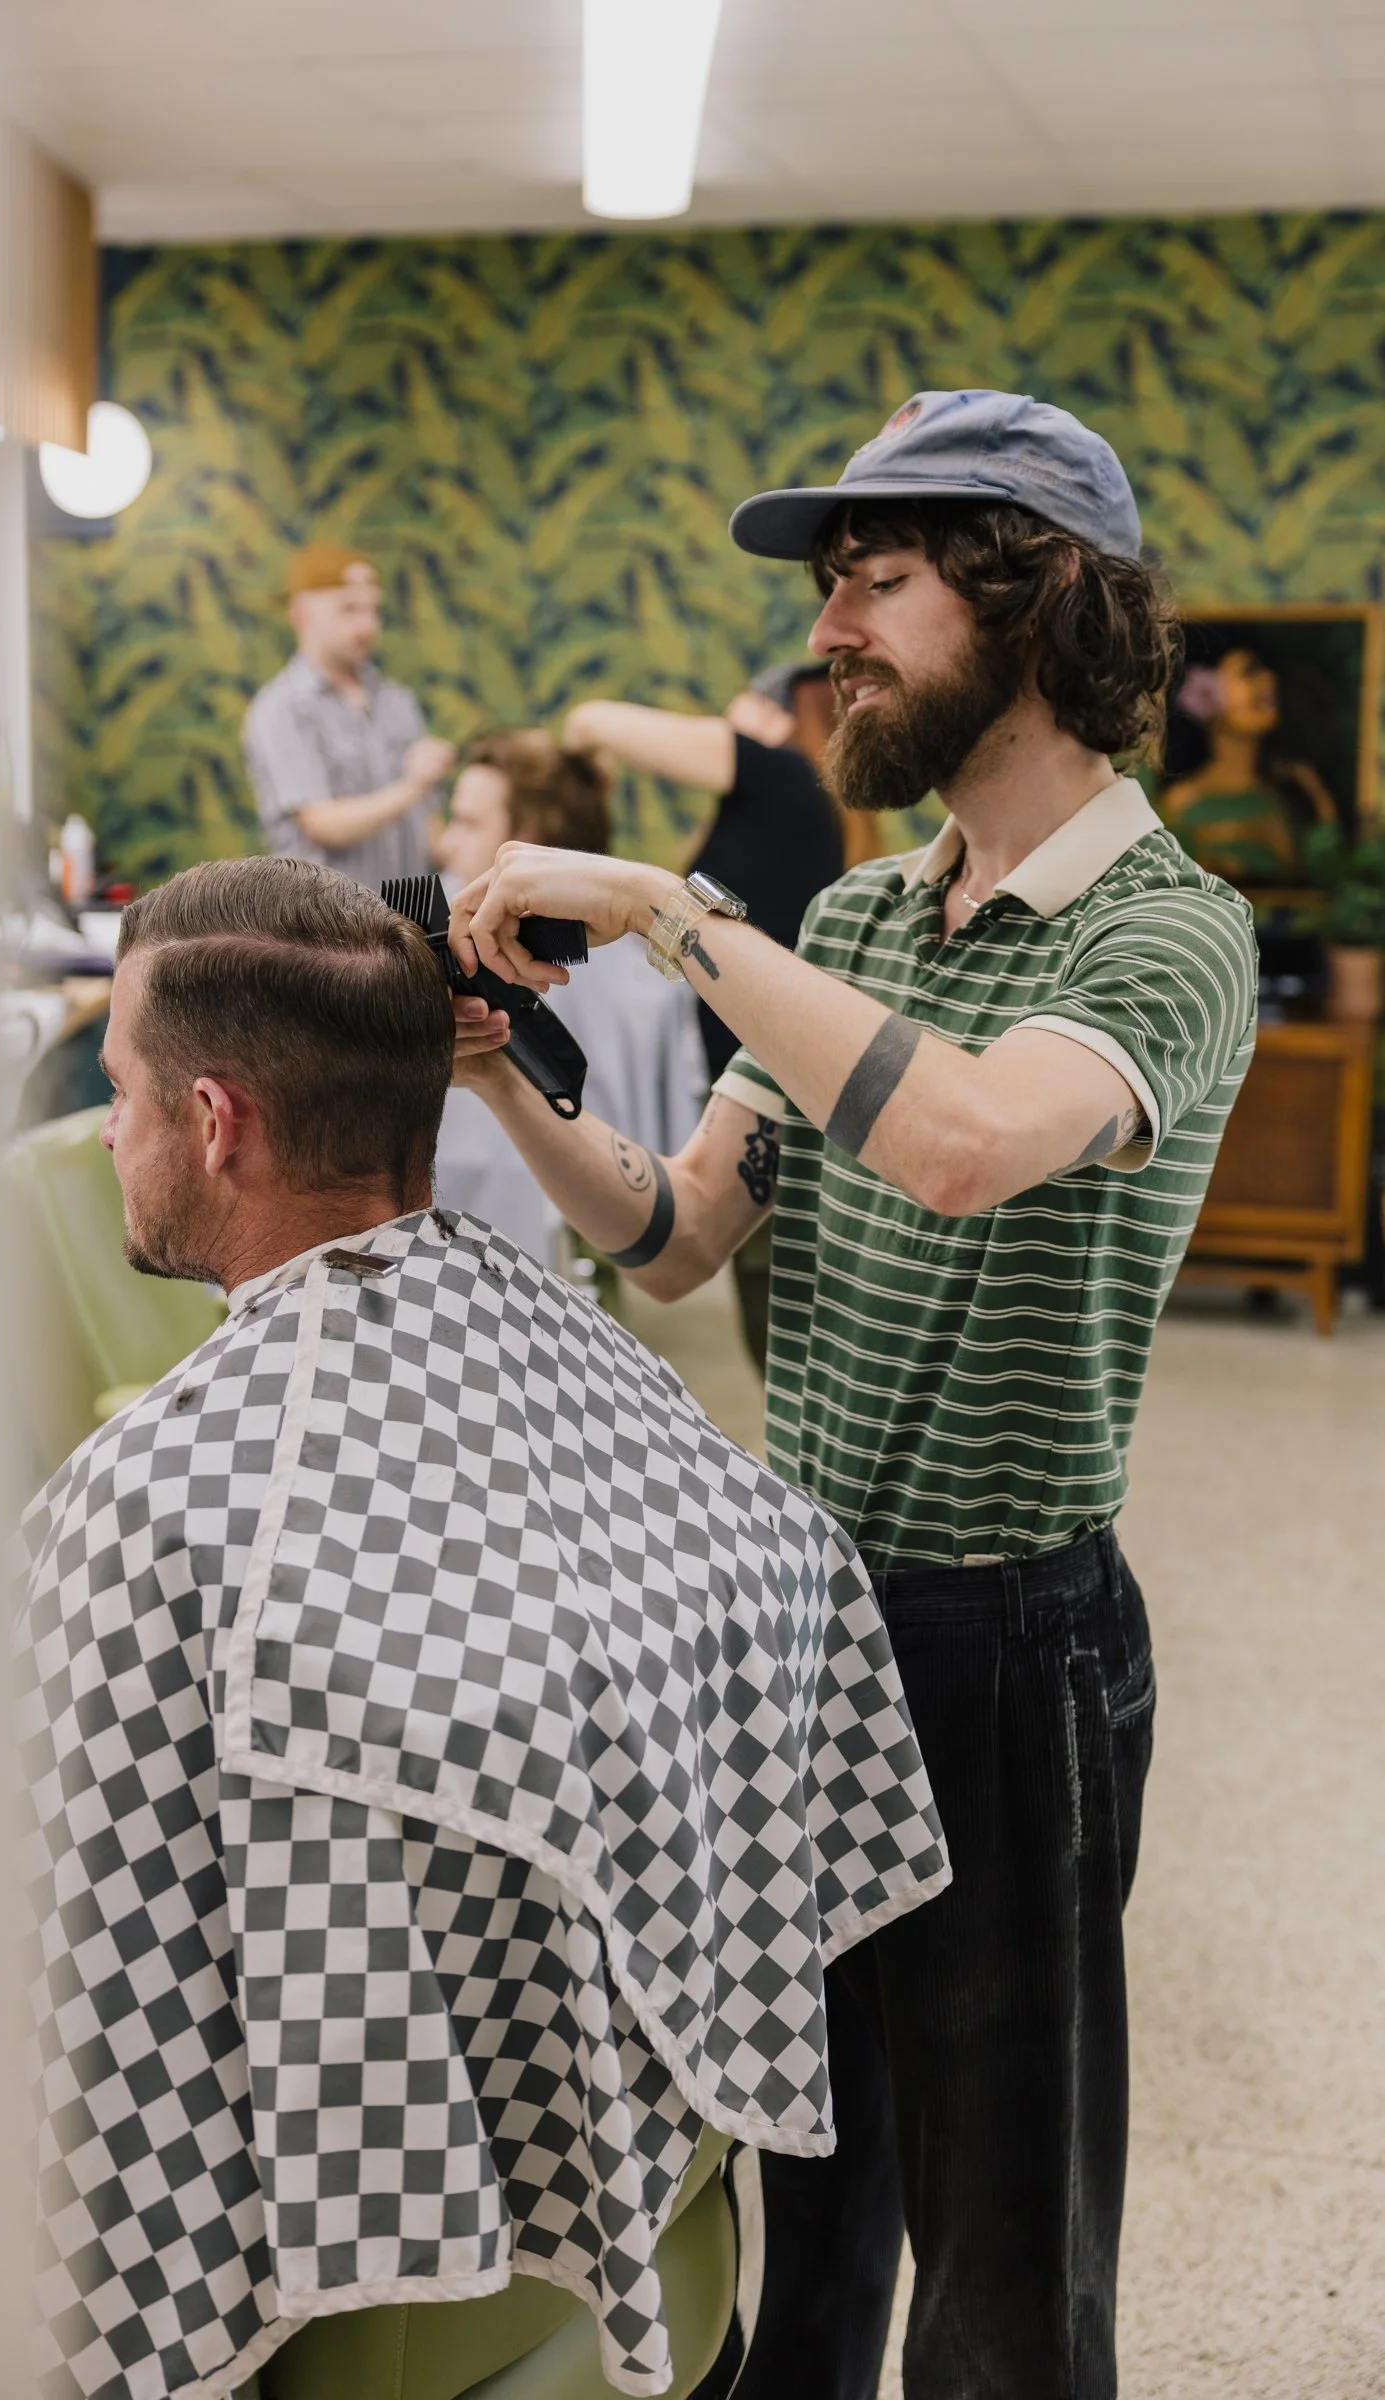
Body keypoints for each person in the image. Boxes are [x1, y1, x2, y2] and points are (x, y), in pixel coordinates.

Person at [443, 389, 1260, 2400]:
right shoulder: (859, 918)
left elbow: (966, 1141)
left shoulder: (1172, 933)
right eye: (830, 592)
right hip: (798, 1620)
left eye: (876, 583)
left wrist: (659, 907)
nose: (832, 634)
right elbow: (676, 1236)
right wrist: (499, 1078)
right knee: (792, 2182)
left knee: (998, 2249)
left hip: (1002, 1644)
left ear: (1038, 594)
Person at [14, 855, 950, 2400]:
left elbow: (77, 2008)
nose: (105, 1125)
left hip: (360, 2293)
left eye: (118, 1087)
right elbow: (797, 1572)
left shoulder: (140, 1526)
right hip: (651, 2228)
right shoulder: (588, 1384)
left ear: (213, 1120)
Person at [566, 671, 845, 1366]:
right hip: (754, 1076)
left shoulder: (781, 773)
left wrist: (584, 734)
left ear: (774, 717)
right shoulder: (770, 811)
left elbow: (598, 717)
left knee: (780, 1294)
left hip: (767, 1083)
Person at [434, 728, 707, 1264]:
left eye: (467, 823)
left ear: (525, 840)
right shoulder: (432, 929)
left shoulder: (622, 978)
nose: (445, 841)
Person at [242, 538, 455, 888]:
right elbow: (322, 825)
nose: (368, 626)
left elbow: (430, 830)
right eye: (349, 609)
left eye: (374, 610)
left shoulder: (396, 701)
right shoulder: (282, 708)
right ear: (301, 613)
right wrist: (412, 786)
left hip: (410, 923)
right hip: (328, 930)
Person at [1155, 625, 1338, 884]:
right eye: (1249, 672)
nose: (1269, 680)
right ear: (1203, 696)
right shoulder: (1181, 804)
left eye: (1263, 669)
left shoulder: (1297, 788)